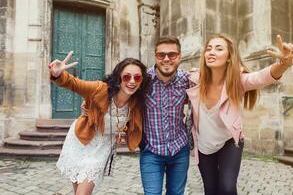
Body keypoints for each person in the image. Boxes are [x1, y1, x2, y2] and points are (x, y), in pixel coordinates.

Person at [186, 34, 293, 195]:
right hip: (204, 145)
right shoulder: (194, 79)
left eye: (218, 48)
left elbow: (261, 77)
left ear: (230, 57)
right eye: (208, 49)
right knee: (210, 190)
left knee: (227, 188)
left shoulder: (237, 81)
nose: (211, 52)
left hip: (229, 141)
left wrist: (284, 64)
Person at [48, 52, 148, 195]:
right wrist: (58, 75)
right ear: (119, 78)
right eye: (127, 76)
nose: (132, 81)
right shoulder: (100, 89)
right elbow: (74, 84)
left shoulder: (136, 103)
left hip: (102, 149)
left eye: (137, 77)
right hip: (81, 140)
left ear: (141, 81)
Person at [139, 36, 190, 195]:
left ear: (179, 57)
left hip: (180, 149)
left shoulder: (187, 80)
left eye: (172, 55)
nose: (166, 59)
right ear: (156, 57)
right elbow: (116, 91)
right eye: (161, 55)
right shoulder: (142, 80)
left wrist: (238, 70)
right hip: (151, 151)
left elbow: (215, 81)